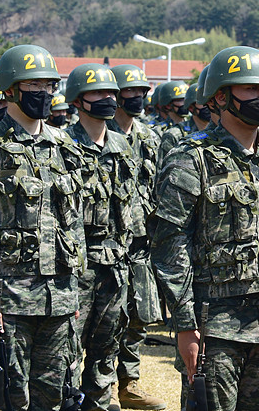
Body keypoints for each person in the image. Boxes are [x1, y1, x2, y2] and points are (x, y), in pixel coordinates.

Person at [150, 46, 259, 411]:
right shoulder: (190, 158)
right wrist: (185, 324)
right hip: (215, 327)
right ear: (221, 96)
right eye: (250, 90)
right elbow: (171, 245)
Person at [0, 44, 85, 410]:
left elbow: (74, 221)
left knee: (53, 399)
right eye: (32, 85)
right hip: (8, 302)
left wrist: (76, 289)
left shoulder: (66, 146)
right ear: (10, 90)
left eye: (48, 85)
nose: (43, 93)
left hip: (61, 300)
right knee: (9, 399)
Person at [65, 63, 136, 411]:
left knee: (106, 347)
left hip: (116, 265)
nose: (108, 99)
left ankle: (101, 404)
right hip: (78, 269)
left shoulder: (123, 146)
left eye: (112, 93)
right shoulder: (63, 145)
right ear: (78, 100)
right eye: (98, 93)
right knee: (66, 349)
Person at [107, 64, 166, 411]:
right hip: (106, 239)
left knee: (138, 314)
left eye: (142, 92)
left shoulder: (150, 137)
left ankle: (129, 383)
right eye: (130, 92)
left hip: (142, 239)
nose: (138, 98)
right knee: (105, 317)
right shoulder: (94, 134)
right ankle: (100, 387)